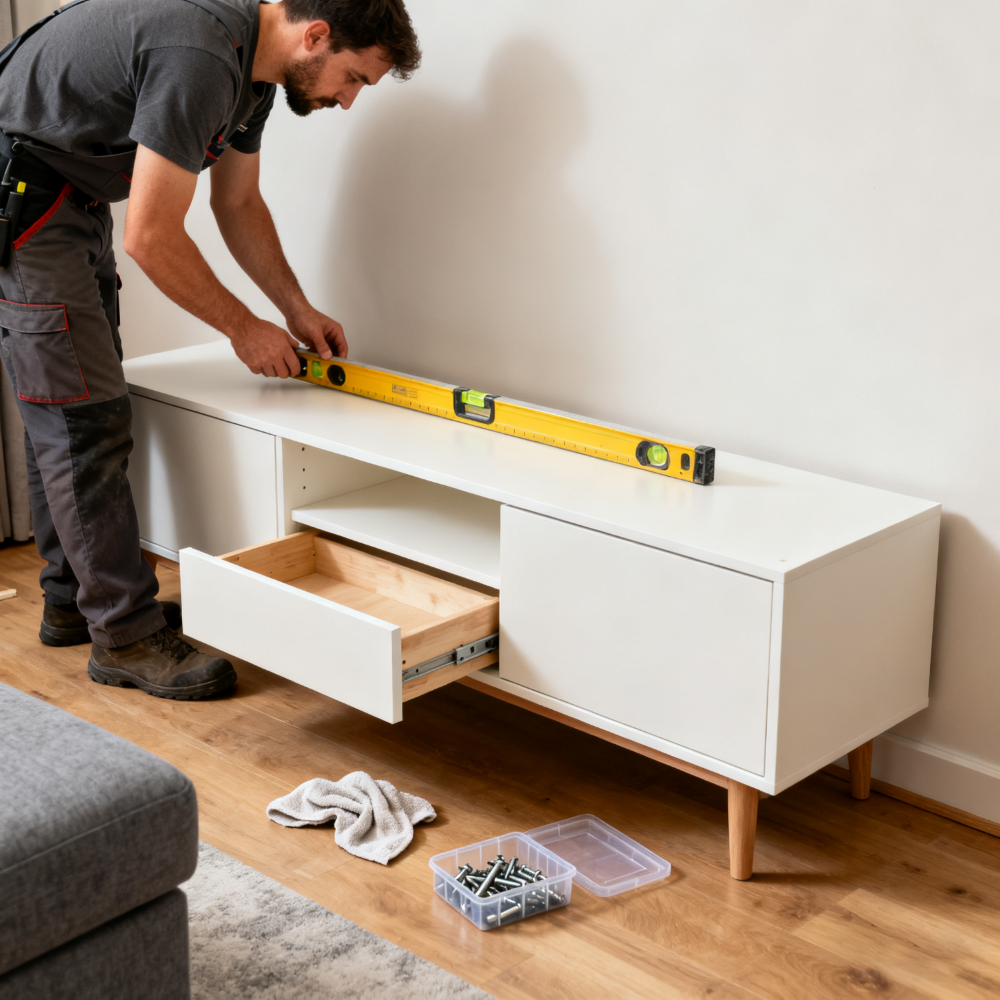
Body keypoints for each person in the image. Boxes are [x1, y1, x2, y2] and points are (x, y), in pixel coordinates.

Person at [0, 0, 420, 699]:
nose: (347, 101)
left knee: (75, 409)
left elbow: (239, 205)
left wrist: (293, 308)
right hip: (25, 194)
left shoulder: (251, 75)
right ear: (315, 36)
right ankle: (125, 637)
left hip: (63, 193)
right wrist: (241, 327)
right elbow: (152, 237)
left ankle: (75, 601)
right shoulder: (199, 56)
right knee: (81, 419)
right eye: (353, 79)